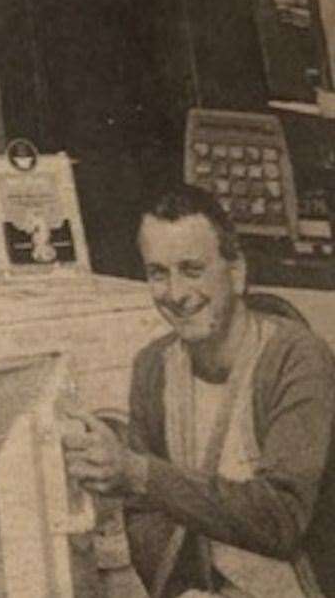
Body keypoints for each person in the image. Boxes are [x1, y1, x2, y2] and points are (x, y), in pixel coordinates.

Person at [62, 184, 335, 597]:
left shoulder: (297, 359)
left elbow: (281, 516)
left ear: (237, 272)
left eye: (192, 270)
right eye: (158, 273)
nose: (175, 294)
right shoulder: (152, 366)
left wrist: (136, 471)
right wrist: (181, 592)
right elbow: (142, 516)